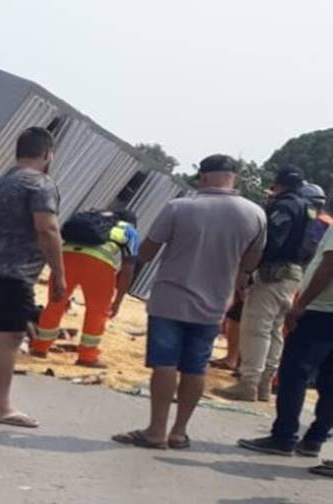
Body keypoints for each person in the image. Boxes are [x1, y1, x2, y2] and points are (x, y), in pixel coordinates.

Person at [113, 154, 266, 450]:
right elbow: (251, 260)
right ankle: (179, 431)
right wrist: (237, 274)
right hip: (214, 303)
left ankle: (156, 431)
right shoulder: (255, 214)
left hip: (170, 298)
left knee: (165, 364)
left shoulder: (180, 207)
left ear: (204, 177)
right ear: (234, 177)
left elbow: (146, 251)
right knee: (196, 367)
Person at [0, 126, 65, 429]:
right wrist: (58, 273)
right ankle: (0, 405)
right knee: (11, 336)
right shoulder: (41, 184)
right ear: (46, 154)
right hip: (12, 273)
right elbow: (47, 228)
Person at [236, 207, 333, 463]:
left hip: (322, 311)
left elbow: (328, 266)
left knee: (294, 373)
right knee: (331, 381)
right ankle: (314, 439)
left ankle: (284, 436)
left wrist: (302, 304)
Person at [216, 165, 313, 401]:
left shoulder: (284, 206)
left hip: (273, 274)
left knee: (256, 328)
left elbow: (272, 241)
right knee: (274, 331)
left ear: (279, 184)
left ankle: (248, 383)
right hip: (293, 275)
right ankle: (264, 385)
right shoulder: (307, 208)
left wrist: (249, 269)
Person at [31, 210, 140, 367]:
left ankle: (40, 348)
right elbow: (128, 268)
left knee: (55, 304)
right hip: (98, 265)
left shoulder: (90, 221)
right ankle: (87, 357)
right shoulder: (129, 231)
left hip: (66, 257)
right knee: (97, 311)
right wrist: (118, 300)